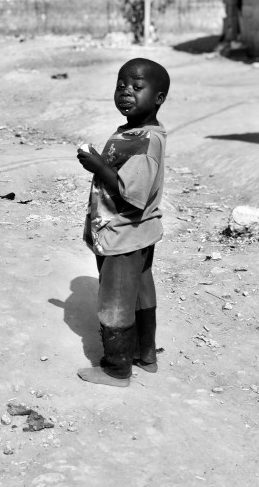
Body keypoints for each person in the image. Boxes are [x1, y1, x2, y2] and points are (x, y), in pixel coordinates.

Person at [76, 57, 170, 387]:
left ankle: (117, 369)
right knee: (140, 292)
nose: (126, 92)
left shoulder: (145, 141)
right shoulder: (134, 132)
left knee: (115, 298)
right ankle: (145, 355)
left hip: (124, 235)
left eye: (137, 87)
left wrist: (97, 166)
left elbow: (134, 195)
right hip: (138, 233)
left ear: (158, 98)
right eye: (120, 85)